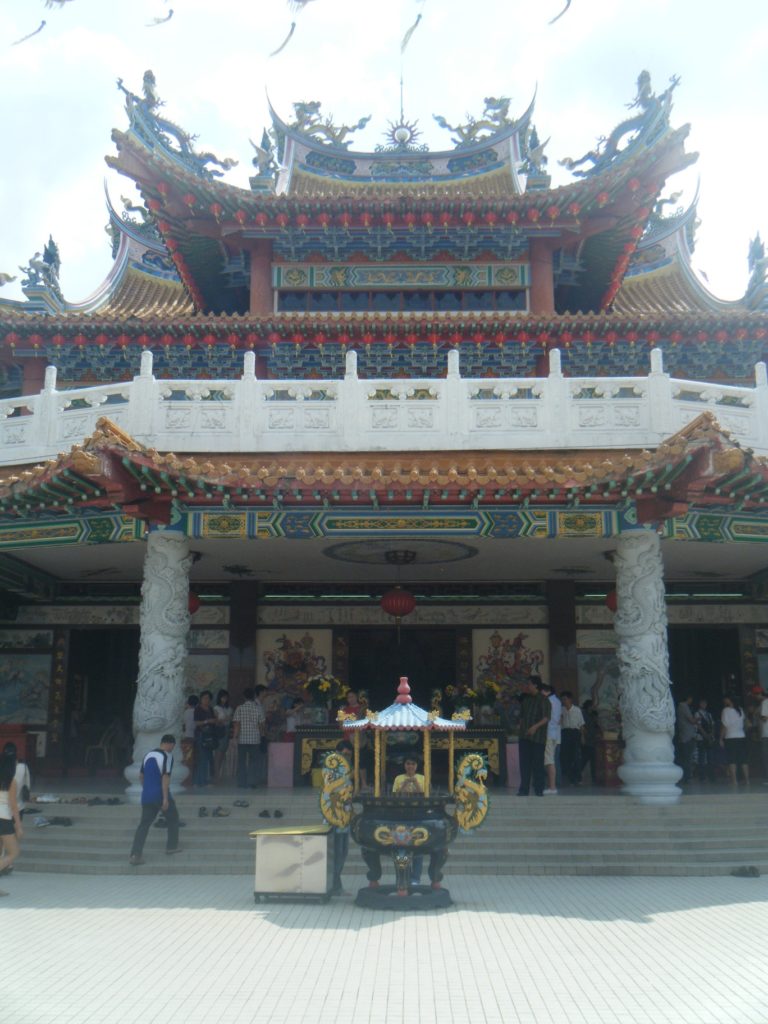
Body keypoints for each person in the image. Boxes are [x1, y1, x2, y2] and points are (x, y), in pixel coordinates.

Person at [129, 735, 181, 865]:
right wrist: (165, 798)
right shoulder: (167, 756)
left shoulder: (148, 755)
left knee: (144, 825)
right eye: (172, 746)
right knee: (173, 818)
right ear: (169, 744)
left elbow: (141, 776)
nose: (172, 749)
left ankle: (135, 855)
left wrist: (147, 789)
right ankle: (171, 847)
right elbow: (165, 778)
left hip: (146, 795)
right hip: (160, 794)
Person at [392, 757, 425, 883]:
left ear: (416, 765)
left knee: (418, 847)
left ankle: (415, 878)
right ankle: (401, 877)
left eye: (413, 763)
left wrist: (415, 783)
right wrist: (405, 784)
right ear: (404, 765)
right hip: (402, 815)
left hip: (418, 816)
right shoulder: (399, 778)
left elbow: (424, 795)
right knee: (401, 848)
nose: (410, 766)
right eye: (408, 763)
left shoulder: (422, 778)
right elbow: (394, 795)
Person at [516, 677, 550, 797]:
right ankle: (523, 789)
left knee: (538, 764)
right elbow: (522, 716)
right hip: (524, 737)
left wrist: (535, 727)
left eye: (529, 684)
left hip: (538, 738)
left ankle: (539, 789)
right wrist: (521, 727)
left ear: (535, 686)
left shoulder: (544, 700)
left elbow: (546, 718)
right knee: (524, 764)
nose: (527, 686)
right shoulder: (527, 700)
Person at [330, 740, 354, 895]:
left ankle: (337, 883)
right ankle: (333, 884)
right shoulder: (331, 771)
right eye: (344, 754)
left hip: (345, 816)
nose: (346, 757)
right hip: (334, 816)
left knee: (344, 851)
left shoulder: (346, 771)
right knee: (336, 851)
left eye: (348, 755)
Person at [233, 686, 266, 788]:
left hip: (242, 739)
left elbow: (237, 725)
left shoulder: (239, 708)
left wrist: (235, 737)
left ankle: (242, 782)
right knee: (254, 761)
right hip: (255, 739)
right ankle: (252, 782)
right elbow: (261, 725)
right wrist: (263, 736)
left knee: (241, 761)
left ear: (244, 697)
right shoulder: (258, 708)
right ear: (254, 696)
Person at [0, 746, 23, 889]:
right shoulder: (11, 781)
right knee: (14, 852)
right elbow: (13, 806)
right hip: (3, 818)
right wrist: (18, 826)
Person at [539, 680, 561, 795]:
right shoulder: (557, 701)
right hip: (554, 733)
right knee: (550, 759)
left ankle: (552, 787)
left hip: (548, 733)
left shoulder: (548, 701)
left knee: (549, 761)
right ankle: (551, 786)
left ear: (545, 692)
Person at [721, 696, 749, 786]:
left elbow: (724, 726)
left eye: (725, 698)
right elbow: (745, 723)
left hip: (730, 737)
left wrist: (721, 738)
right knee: (743, 760)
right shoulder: (740, 709)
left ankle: (734, 781)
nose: (724, 700)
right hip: (741, 737)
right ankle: (747, 780)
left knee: (732, 760)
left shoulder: (725, 710)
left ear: (729, 700)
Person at [193, 690, 218, 788]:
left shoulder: (211, 709)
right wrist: (207, 721)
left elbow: (214, 721)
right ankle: (200, 781)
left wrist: (215, 720)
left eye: (208, 698)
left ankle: (203, 780)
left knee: (208, 758)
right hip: (201, 735)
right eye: (204, 698)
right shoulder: (198, 709)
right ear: (201, 699)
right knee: (202, 758)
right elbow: (196, 723)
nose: (206, 700)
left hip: (210, 736)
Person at [559, 692, 584, 786]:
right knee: (566, 756)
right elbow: (559, 723)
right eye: (562, 699)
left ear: (570, 699)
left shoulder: (577, 710)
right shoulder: (561, 710)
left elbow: (581, 724)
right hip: (565, 733)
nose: (563, 701)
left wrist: (583, 737)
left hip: (575, 733)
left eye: (565, 699)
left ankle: (577, 777)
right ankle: (570, 777)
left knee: (576, 756)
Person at [2, 742, 31, 816]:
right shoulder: (23, 767)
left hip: (2, 809)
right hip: (19, 806)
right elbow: (27, 785)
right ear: (16, 753)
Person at [676, 695, 698, 783]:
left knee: (685, 757)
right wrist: (698, 719)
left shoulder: (679, 707)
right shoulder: (683, 706)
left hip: (684, 735)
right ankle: (687, 777)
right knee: (687, 758)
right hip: (687, 736)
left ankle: (685, 776)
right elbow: (691, 720)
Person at [695, 698, 717, 783]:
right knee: (702, 758)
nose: (704, 705)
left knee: (710, 758)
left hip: (709, 737)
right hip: (701, 738)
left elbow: (713, 724)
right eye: (702, 703)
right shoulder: (697, 714)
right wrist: (705, 735)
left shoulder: (709, 714)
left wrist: (711, 734)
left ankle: (712, 777)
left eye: (705, 703)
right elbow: (699, 726)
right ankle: (702, 777)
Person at [213, 689, 233, 781]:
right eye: (223, 697)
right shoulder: (216, 708)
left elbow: (231, 719)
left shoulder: (229, 708)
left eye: (226, 697)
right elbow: (216, 721)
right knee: (218, 752)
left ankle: (218, 772)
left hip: (227, 730)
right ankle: (216, 774)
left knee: (223, 751)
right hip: (220, 730)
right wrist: (225, 719)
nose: (224, 699)